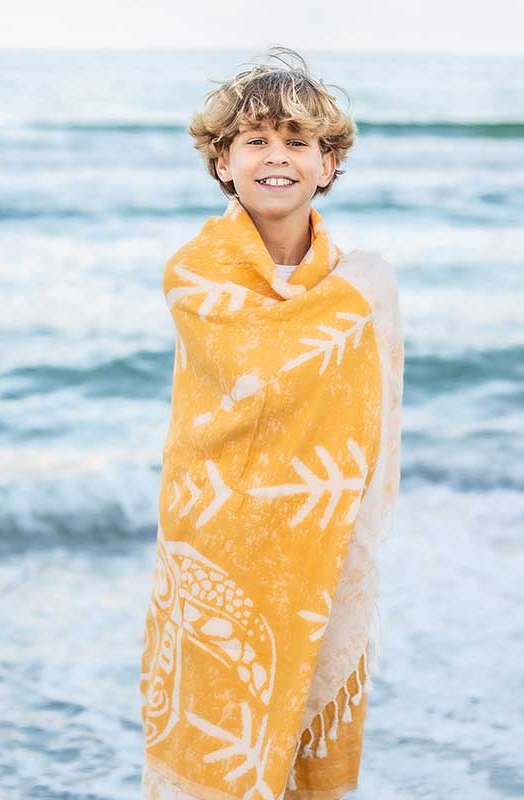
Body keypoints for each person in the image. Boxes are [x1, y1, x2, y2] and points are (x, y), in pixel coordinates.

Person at [139, 46, 403, 800]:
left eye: (297, 141)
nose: (277, 157)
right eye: (255, 141)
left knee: (305, 742)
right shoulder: (196, 273)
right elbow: (257, 377)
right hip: (219, 545)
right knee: (223, 733)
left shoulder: (362, 283)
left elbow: (366, 410)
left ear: (328, 164)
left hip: (322, 540)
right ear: (223, 162)